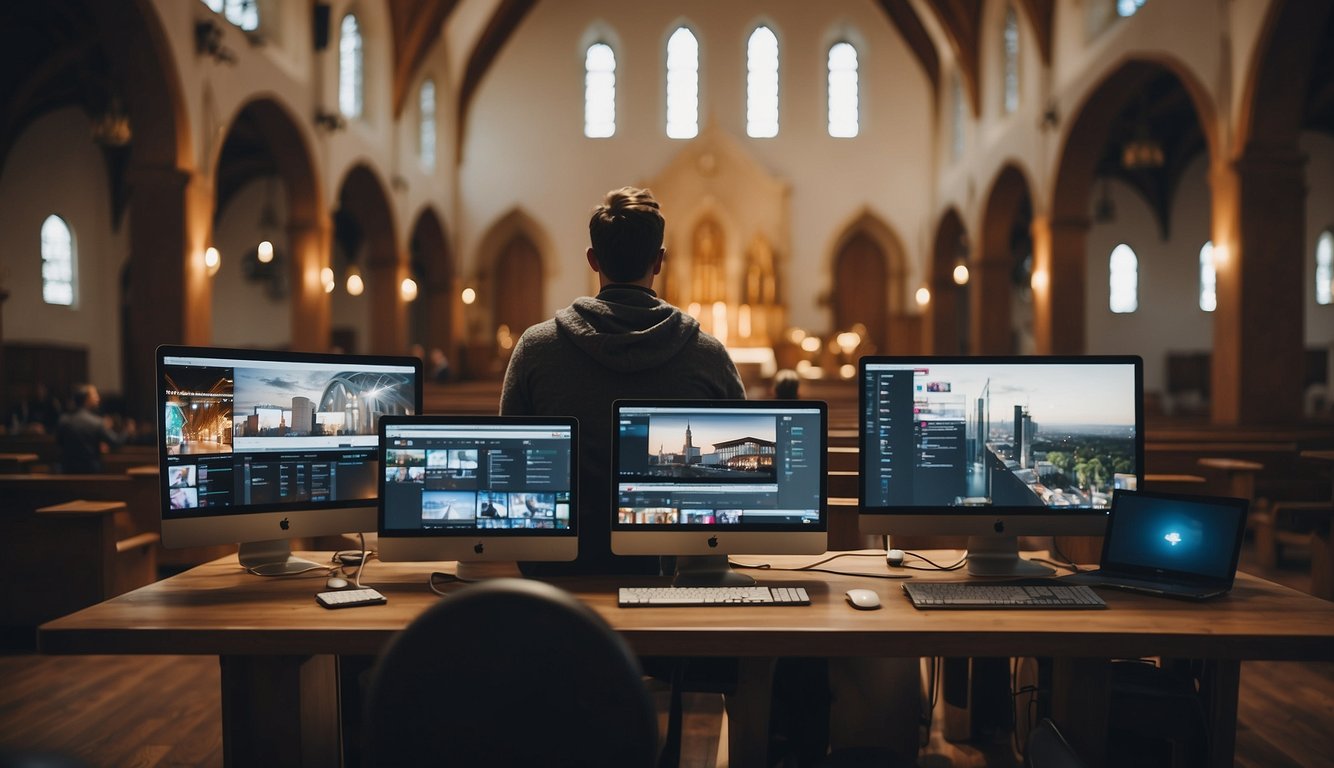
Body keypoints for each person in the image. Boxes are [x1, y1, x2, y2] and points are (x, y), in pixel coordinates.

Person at [500, 186, 745, 575]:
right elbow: (737, 488)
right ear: (660, 261)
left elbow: (508, 464)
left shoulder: (536, 347)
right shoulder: (707, 354)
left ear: (593, 260)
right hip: (677, 574)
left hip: (557, 574)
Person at [56, 384, 126, 473]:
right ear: (87, 399)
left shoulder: (63, 420)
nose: (98, 398)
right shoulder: (97, 422)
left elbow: (60, 443)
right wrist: (127, 431)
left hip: (67, 471)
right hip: (90, 472)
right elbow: (116, 442)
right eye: (95, 395)